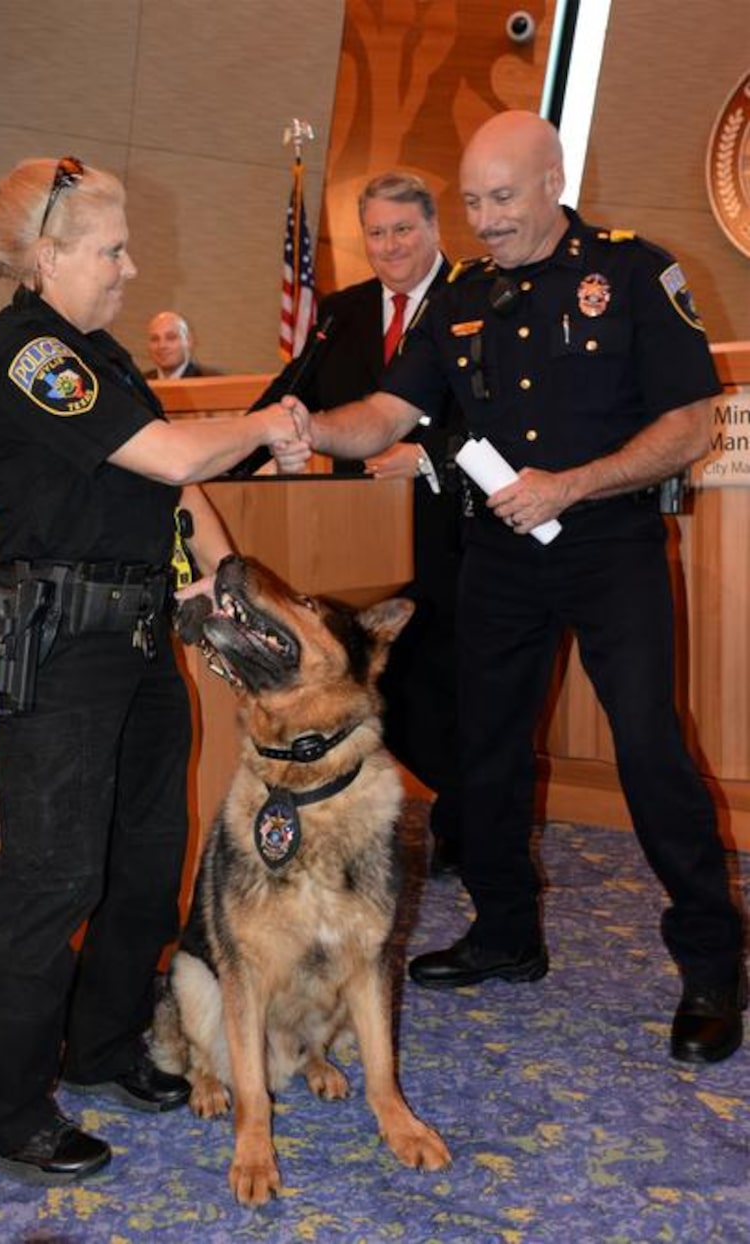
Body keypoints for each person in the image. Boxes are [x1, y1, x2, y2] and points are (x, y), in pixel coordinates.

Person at [275, 111, 746, 1065]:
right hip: (499, 559)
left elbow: (691, 426)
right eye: (472, 203)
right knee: (484, 747)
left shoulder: (635, 272)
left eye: (501, 199)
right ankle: (504, 933)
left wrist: (572, 484)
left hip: (610, 548)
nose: (483, 222)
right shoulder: (462, 300)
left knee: (651, 748)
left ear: (552, 181)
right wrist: (311, 431)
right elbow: (384, 413)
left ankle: (712, 962)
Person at [0, 155, 297, 1185]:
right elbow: (174, 456)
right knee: (51, 874)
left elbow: (177, 497)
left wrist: (226, 597)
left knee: (144, 860)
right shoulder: (22, 355)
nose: (130, 267)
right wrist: (271, 422)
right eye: (110, 248)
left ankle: (99, 1046)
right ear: (48, 255)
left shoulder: (98, 357)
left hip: (139, 638)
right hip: (58, 650)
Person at [243, 172, 466, 873]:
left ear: (434, 228)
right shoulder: (341, 312)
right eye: (377, 232)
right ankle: (375, 822)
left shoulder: (476, 298)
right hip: (354, 540)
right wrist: (229, 451)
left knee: (450, 686)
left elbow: (510, 419)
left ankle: (466, 828)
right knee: (373, 687)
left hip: (452, 529)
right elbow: (289, 400)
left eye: (404, 228)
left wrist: (429, 454)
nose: (391, 244)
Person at [144, 309, 219, 379]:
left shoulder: (214, 381)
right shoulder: (138, 384)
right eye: (155, 339)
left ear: (189, 341)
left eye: (171, 338)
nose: (162, 345)